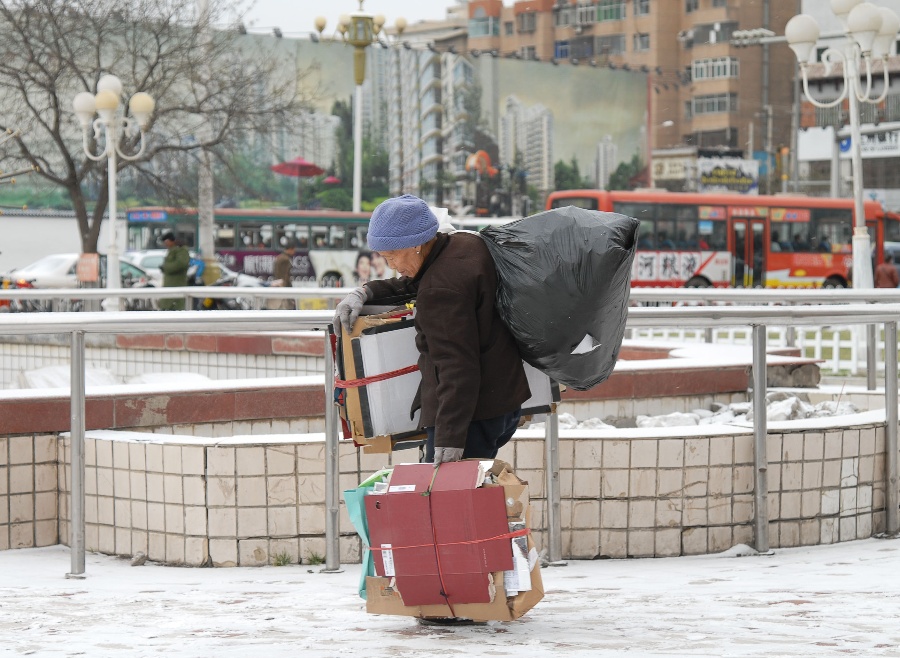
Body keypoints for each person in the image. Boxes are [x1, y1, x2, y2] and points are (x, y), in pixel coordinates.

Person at [334, 194, 531, 466]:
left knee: (447, 503)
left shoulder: (440, 290)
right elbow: (416, 282)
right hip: (502, 403)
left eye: (392, 256)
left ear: (415, 245)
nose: (391, 266)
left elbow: (456, 365)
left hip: (469, 418)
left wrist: (450, 439)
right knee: (471, 496)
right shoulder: (463, 246)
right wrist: (365, 292)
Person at [159, 231, 190, 311]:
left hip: (177, 284)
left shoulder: (181, 250)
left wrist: (166, 268)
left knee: (175, 307)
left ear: (171, 241)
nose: (165, 244)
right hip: (169, 285)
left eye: (166, 242)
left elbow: (181, 263)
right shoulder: (172, 250)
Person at [269, 242, 296, 309]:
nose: (294, 252)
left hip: (278, 283)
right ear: (290, 249)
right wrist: (288, 286)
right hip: (283, 285)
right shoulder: (285, 259)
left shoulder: (280, 257)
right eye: (293, 250)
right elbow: (285, 275)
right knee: (286, 306)